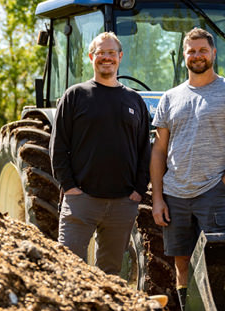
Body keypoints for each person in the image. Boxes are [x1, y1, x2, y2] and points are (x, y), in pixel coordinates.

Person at [150, 27, 225, 311]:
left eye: (203, 51)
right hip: (175, 195)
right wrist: (157, 198)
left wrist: (223, 187)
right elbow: (159, 151)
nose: (197, 56)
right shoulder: (170, 98)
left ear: (213, 53)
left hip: (213, 192)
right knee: (181, 262)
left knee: (219, 260)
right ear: (184, 55)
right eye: (191, 51)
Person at [50, 31, 151, 275]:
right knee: (68, 269)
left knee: (110, 275)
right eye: (101, 52)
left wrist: (138, 190)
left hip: (122, 204)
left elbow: (144, 151)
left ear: (120, 56)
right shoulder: (75, 95)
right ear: (91, 57)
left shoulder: (135, 100)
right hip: (81, 201)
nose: (107, 57)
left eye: (111, 52)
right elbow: (58, 146)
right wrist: (69, 187)